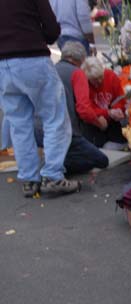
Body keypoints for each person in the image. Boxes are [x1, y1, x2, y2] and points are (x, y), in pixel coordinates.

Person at [0, 0, 81, 197]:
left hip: (2, 65)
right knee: (54, 117)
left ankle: (29, 179)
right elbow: (52, 29)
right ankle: (52, 176)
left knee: (18, 123)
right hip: (32, 58)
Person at [35, 42, 109, 174]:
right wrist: (99, 123)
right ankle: (56, 165)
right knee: (102, 160)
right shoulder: (77, 73)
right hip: (63, 131)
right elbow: (84, 110)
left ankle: (53, 160)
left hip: (39, 130)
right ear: (81, 59)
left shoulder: (51, 69)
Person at [80, 57, 127, 150]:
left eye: (100, 77)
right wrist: (107, 113)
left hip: (113, 120)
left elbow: (120, 98)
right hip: (95, 122)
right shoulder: (84, 84)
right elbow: (87, 109)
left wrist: (118, 109)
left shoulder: (111, 76)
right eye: (94, 80)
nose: (99, 82)